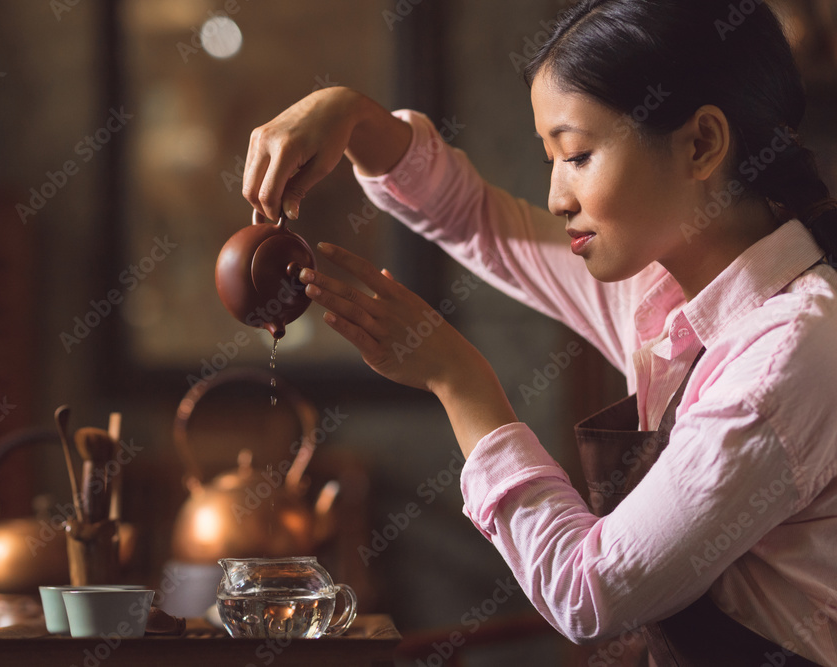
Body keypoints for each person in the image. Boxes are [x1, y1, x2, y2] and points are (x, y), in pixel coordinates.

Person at [240, 0, 837, 664]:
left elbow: (590, 590)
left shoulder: (789, 356)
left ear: (700, 143)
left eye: (577, 154)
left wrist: (459, 382)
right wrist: (351, 115)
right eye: (550, 157)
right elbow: (474, 220)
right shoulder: (662, 298)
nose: (557, 197)